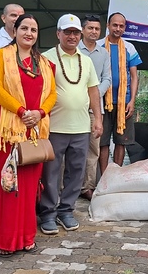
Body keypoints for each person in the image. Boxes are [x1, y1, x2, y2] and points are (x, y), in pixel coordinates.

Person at [0, 13, 56, 257]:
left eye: (34, 30)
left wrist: (40, 113)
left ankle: (27, 236)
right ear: (14, 30)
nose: (29, 33)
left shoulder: (44, 63)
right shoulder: (1, 56)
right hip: (8, 129)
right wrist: (21, 111)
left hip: (34, 128)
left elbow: (52, 94)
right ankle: (5, 239)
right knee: (9, 183)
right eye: (24, 28)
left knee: (28, 186)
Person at [39, 14, 103, 234]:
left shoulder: (86, 60)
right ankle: (47, 213)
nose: (72, 36)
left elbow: (93, 90)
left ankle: (66, 210)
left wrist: (98, 119)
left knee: (76, 171)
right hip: (54, 127)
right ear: (58, 34)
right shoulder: (46, 58)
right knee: (50, 173)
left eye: (76, 32)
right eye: (67, 32)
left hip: (81, 127)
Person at [98, 12, 142, 173]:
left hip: (124, 102)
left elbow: (134, 76)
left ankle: (116, 175)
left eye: (121, 26)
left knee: (121, 141)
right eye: (114, 25)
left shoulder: (129, 48)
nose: (118, 28)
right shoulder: (99, 46)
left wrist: (132, 102)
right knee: (102, 142)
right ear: (108, 26)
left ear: (125, 28)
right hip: (102, 102)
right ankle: (104, 178)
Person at [78, 14, 111, 200]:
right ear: (83, 30)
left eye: (97, 29)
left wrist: (94, 93)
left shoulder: (103, 53)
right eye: (90, 28)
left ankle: (87, 187)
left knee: (93, 149)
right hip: (74, 106)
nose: (93, 31)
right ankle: (66, 187)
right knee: (71, 147)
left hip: (95, 108)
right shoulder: (75, 50)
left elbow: (108, 78)